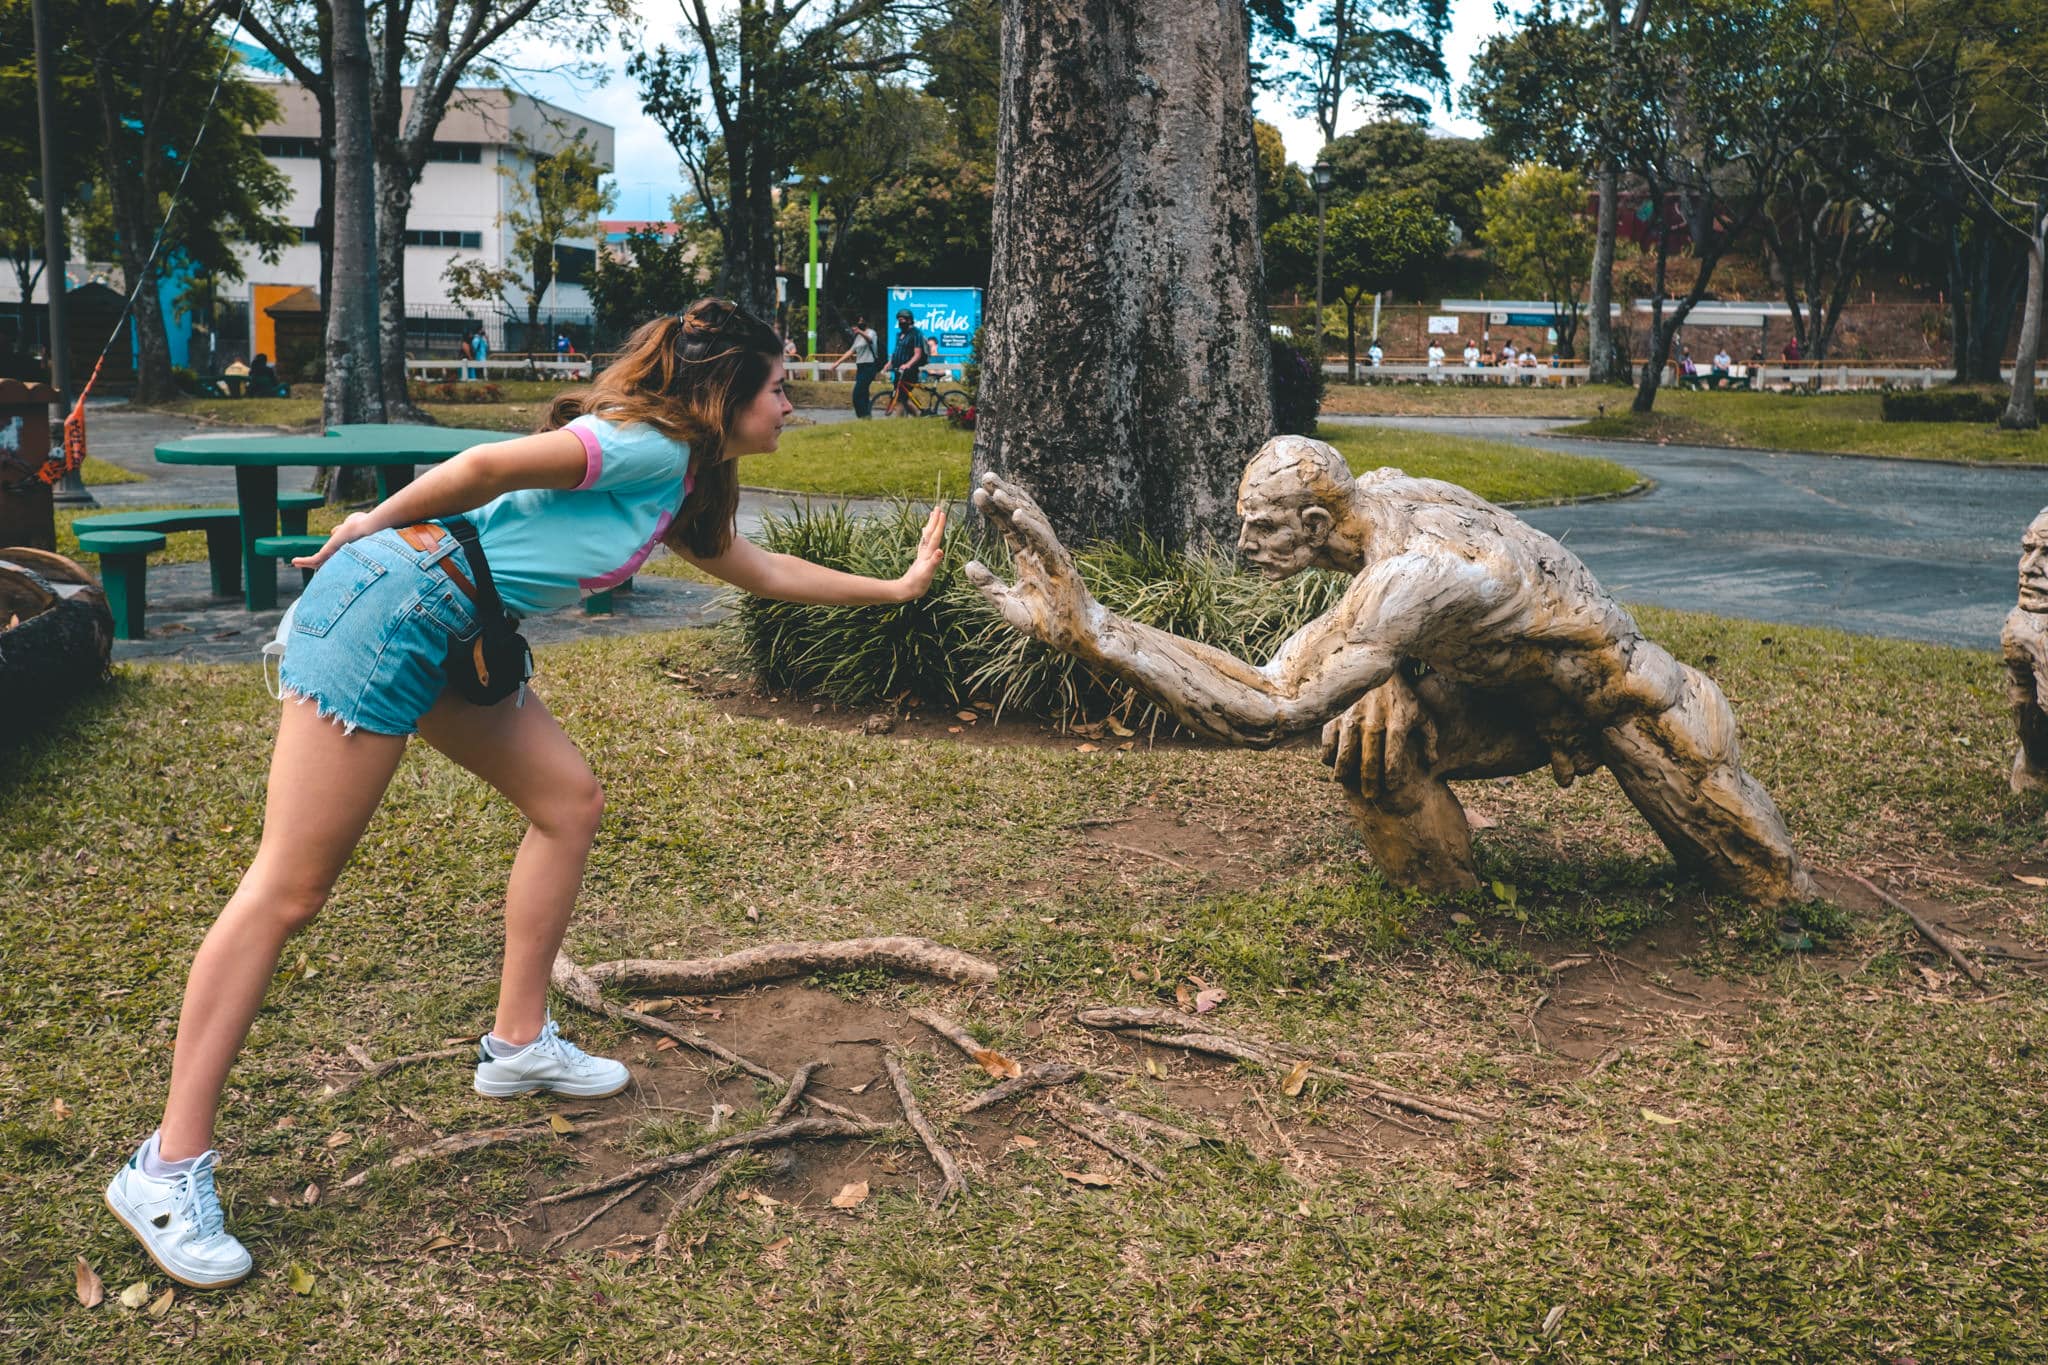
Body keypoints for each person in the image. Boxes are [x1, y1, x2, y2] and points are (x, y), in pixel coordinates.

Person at [102, 299, 949, 1290]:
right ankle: (165, 1169)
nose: (791, 404)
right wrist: (371, 521)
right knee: (289, 890)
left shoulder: (679, 480)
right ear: (722, 393)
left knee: (567, 802)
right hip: (397, 603)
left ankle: (516, 1044)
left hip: (457, 627)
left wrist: (892, 588)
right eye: (777, 387)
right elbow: (485, 468)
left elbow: (755, 569)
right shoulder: (639, 445)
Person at [828, 315, 882, 419]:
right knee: (864, 392)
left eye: (862, 321)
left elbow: (870, 340)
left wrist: (860, 332)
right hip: (861, 366)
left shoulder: (871, 332)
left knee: (857, 394)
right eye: (859, 321)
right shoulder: (857, 337)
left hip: (869, 366)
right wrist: (837, 363)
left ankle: (862, 415)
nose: (860, 323)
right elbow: (851, 351)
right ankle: (866, 416)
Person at [887, 309, 928, 418]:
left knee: (901, 398)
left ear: (909, 320)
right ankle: (918, 417)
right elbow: (896, 352)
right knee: (902, 398)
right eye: (899, 320)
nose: (900, 323)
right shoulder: (899, 335)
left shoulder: (916, 334)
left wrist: (908, 365)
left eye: (902, 320)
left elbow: (917, 354)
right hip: (898, 371)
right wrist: (889, 364)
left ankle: (900, 421)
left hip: (909, 371)